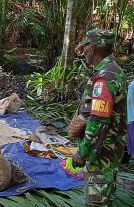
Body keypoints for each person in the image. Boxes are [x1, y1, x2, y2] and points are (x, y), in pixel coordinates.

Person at [72, 29, 127, 206]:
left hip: (102, 153)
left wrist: (83, 152)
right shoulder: (113, 70)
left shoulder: (105, 77)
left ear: (93, 48)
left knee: (97, 202)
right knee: (103, 198)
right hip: (108, 151)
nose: (83, 51)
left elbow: (98, 119)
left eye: (85, 46)